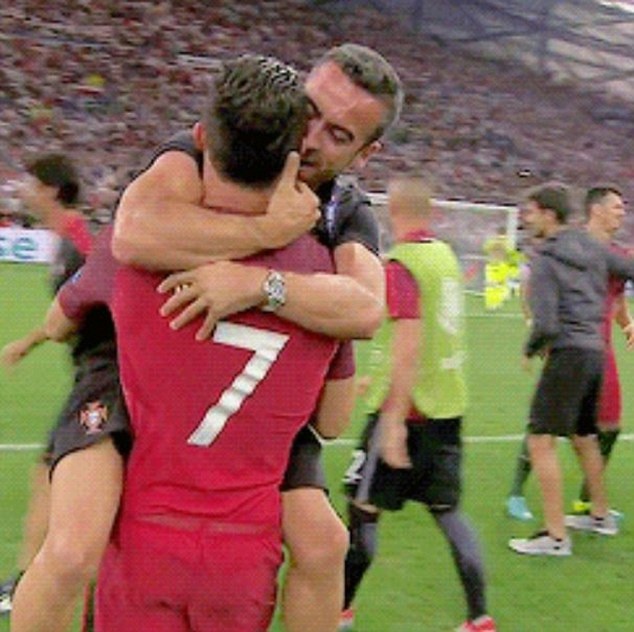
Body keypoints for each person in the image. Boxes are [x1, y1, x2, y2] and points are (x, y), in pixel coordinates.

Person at [9, 43, 403, 632]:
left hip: (254, 383)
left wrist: (258, 284)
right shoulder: (200, 148)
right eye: (309, 111)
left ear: (366, 154)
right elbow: (133, 235)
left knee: (324, 543)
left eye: (338, 134)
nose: (310, 137)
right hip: (128, 362)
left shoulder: (346, 210)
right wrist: (267, 230)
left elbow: (367, 308)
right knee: (72, 549)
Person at [92, 52, 357, 631]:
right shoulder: (326, 282)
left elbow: (73, 307)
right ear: (294, 159)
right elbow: (335, 417)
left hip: (145, 540)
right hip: (242, 555)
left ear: (200, 139)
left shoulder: (135, 259)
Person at [339, 178, 496, 632]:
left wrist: (393, 420)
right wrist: (378, 378)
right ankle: (480, 618)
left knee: (363, 510)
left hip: (407, 414)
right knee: (449, 512)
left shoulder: (401, 264)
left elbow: (409, 342)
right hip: (447, 409)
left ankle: (339, 611)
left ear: (392, 212)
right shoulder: (444, 257)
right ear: (432, 212)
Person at [0, 153, 116, 622]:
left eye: (30, 183)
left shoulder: (79, 244)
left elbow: (86, 312)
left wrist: (31, 342)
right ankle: (26, 579)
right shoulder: (67, 241)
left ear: (50, 189)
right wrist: (28, 344)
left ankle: (43, 586)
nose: (23, 190)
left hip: (105, 382)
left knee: (63, 480)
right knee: (48, 473)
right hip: (93, 377)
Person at [508, 183, 634, 557]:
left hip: (568, 353)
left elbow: (546, 323)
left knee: (540, 440)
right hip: (596, 352)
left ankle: (555, 536)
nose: (526, 218)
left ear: (549, 214)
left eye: (531, 211)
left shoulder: (546, 258)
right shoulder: (592, 247)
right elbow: (627, 269)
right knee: (584, 437)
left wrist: (529, 350)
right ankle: (600, 515)